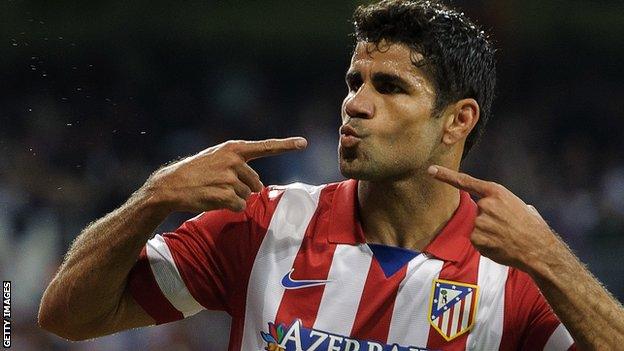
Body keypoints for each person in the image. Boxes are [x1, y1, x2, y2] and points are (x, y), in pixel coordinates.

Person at [39, 0, 624, 350]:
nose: (356, 104)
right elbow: (65, 315)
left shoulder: (512, 272)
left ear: (457, 120)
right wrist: (153, 197)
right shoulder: (267, 222)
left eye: (390, 87)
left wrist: (551, 260)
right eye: (354, 82)